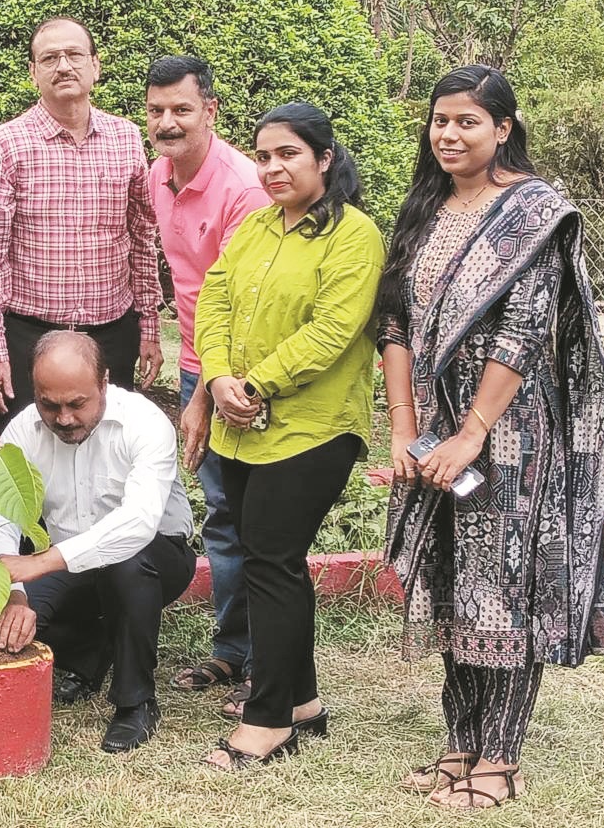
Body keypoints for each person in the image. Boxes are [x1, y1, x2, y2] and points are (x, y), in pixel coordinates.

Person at [376, 65, 604, 809]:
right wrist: (406, 429)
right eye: (439, 120)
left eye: (467, 121)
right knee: (451, 581)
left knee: (503, 589)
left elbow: (523, 330)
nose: (448, 134)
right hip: (433, 430)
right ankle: (459, 744)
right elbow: (394, 323)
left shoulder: (533, 212)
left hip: (510, 436)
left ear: (503, 128)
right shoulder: (424, 208)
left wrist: (473, 433)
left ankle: (500, 758)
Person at [194, 103, 385, 769]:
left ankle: (268, 719)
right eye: (264, 156)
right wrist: (218, 376)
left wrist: (253, 385)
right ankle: (301, 700)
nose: (272, 168)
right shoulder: (255, 227)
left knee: (270, 560)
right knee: (271, 559)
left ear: (324, 159)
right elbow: (214, 301)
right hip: (242, 425)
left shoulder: (354, 235)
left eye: (288, 154)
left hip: (314, 428)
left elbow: (333, 330)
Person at [0, 330, 196, 753]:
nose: (63, 418)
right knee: (19, 625)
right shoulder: (22, 431)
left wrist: (38, 564)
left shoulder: (145, 422)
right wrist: (14, 594)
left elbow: (138, 523)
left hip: (156, 556)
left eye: (76, 404)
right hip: (71, 563)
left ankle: (135, 701)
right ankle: (89, 660)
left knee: (127, 567)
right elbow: (1, 518)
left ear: (104, 383)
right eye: (49, 405)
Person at [144, 54, 267, 710]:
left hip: (241, 369)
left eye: (182, 110)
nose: (168, 122)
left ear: (210, 111)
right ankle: (232, 650)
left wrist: (200, 394)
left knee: (254, 516)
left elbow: (241, 305)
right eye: (156, 110)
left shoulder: (242, 188)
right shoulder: (157, 177)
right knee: (222, 513)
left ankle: (264, 664)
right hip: (198, 359)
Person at [0, 16, 164, 432]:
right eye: (49, 58)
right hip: (29, 338)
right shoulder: (6, 145)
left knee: (110, 450)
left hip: (111, 336)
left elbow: (142, 238)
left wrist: (149, 325)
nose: (63, 66)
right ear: (33, 72)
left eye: (74, 55)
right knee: (23, 453)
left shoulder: (127, 138)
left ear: (95, 65)